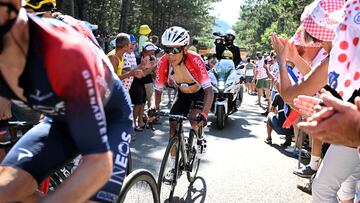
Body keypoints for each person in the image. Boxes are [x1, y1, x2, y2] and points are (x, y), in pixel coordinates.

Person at [0, 1, 133, 202]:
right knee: (5, 193)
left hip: (110, 118)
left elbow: (98, 163)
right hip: (60, 118)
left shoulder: (63, 50)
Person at [271, 0, 360, 202]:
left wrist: (283, 61)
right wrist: (295, 59)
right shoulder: (350, 51)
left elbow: (289, 95)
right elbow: (323, 82)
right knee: (348, 187)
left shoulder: (336, 55)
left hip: (353, 134)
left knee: (322, 189)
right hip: (354, 135)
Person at [151, 26, 214, 182]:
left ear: (185, 48)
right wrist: (153, 107)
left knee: (194, 119)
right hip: (183, 95)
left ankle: (200, 138)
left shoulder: (195, 59)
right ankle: (173, 168)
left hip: (199, 93)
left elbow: (209, 91)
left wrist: (204, 114)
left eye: (175, 50)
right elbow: (157, 90)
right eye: (167, 49)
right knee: (173, 125)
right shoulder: (163, 62)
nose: (170, 54)